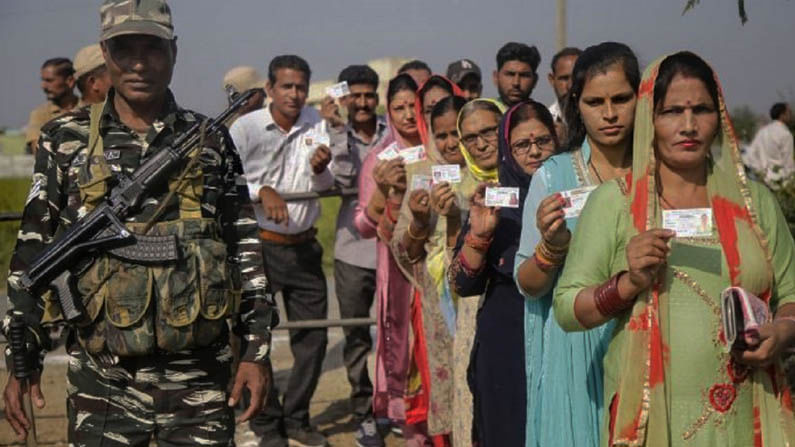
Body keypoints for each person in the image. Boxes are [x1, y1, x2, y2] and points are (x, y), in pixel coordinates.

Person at [3, 1, 276, 445]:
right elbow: (33, 253)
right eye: (123, 49)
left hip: (200, 380)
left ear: (173, 51)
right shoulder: (65, 139)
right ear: (105, 55)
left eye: (151, 47)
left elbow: (244, 247)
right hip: (102, 381)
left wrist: (256, 351)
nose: (138, 63)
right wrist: (21, 358)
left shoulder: (210, 140)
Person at [555, 51, 795, 446]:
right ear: (649, 119)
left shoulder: (754, 204)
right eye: (671, 112)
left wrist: (782, 333)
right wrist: (629, 284)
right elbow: (567, 308)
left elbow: (788, 294)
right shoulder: (615, 203)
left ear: (719, 117)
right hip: (653, 423)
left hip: (748, 414)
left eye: (701, 109)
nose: (688, 126)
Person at [513, 42, 639, 447]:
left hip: (645, 339)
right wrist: (553, 247)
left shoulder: (662, 173)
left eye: (621, 98)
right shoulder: (553, 177)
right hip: (577, 346)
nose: (609, 113)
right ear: (575, 105)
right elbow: (528, 285)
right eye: (594, 101)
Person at [231, 54, 338, 447]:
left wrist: (322, 167)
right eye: (287, 86)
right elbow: (223, 179)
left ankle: (296, 419)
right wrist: (262, 191)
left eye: (301, 87)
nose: (295, 94)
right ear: (270, 90)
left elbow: (326, 186)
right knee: (253, 339)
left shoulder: (317, 123)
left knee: (313, 340)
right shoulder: (246, 127)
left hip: (305, 247)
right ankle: (264, 425)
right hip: (261, 246)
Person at [354, 73, 438, 446]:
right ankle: (413, 434)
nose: (407, 115)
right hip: (401, 275)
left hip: (438, 271)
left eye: (413, 107)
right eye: (399, 108)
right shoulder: (380, 157)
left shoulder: (439, 150)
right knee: (407, 359)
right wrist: (383, 191)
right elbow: (362, 224)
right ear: (389, 111)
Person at [388, 79, 464, 445]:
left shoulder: (494, 176)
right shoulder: (423, 176)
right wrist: (420, 221)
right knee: (447, 385)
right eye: (443, 135)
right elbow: (405, 250)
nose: (451, 144)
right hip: (439, 306)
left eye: (458, 134)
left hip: (489, 301)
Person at [323, 64, 387, 447]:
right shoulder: (334, 133)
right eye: (355, 97)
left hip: (393, 250)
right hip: (351, 253)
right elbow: (345, 181)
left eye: (368, 96)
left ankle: (394, 408)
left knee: (397, 333)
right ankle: (363, 412)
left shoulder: (392, 132)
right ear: (345, 98)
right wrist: (334, 130)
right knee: (356, 337)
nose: (362, 104)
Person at [24, 57, 79, 153]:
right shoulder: (40, 114)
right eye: (43, 80)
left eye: (49, 80)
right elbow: (40, 152)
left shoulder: (88, 108)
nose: (43, 86)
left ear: (70, 81)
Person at [744, 102, 794, 187]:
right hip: (780, 182)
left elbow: (750, 154)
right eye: (789, 113)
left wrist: (761, 172)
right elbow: (788, 163)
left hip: (764, 180)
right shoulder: (785, 134)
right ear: (782, 115)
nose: (791, 115)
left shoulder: (762, 131)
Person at [547, 47, 581, 141]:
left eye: (576, 78)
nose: (570, 86)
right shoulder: (546, 121)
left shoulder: (601, 117)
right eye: (564, 78)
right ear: (552, 80)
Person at [493, 42, 541, 108]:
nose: (516, 83)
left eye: (524, 75)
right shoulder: (481, 115)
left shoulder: (545, 116)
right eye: (510, 75)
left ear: (535, 80)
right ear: (496, 77)